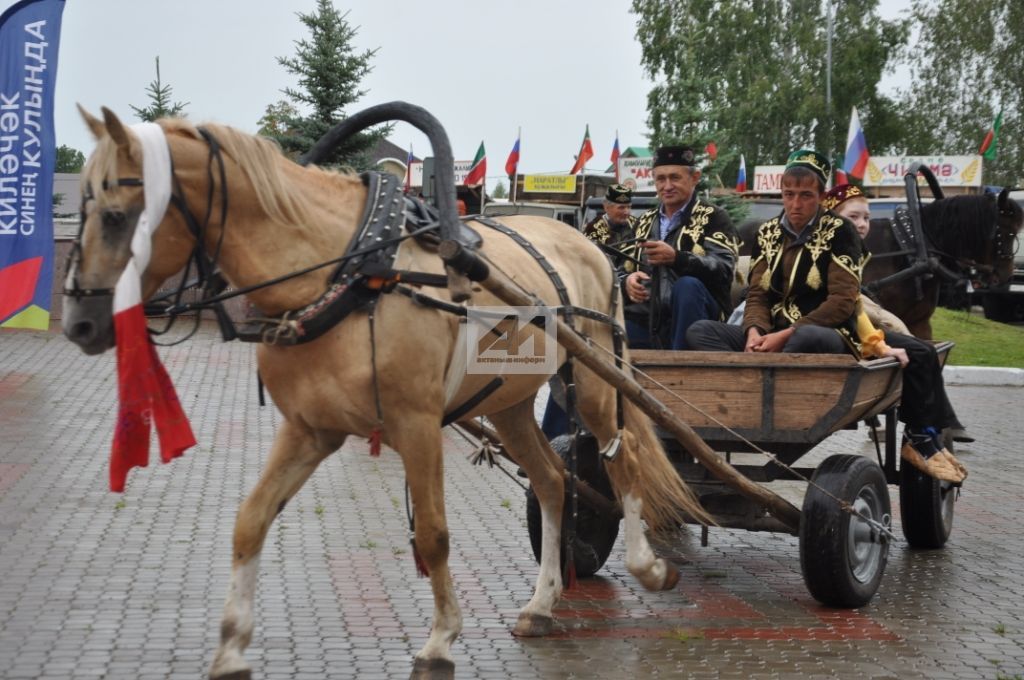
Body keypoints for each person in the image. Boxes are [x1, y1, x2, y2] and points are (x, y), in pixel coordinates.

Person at [687, 150, 966, 483]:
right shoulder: (768, 233)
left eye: (806, 195)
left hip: (833, 331)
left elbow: (843, 302)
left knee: (808, 338)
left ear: (820, 197)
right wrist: (754, 331)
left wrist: (783, 336)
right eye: (789, 195)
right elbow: (759, 294)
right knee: (701, 332)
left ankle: (786, 405)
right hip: (774, 330)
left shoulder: (839, 232)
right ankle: (740, 401)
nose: (795, 204)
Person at [824, 183, 974, 445]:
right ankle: (921, 437)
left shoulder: (853, 251)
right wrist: (877, 340)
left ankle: (925, 428)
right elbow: (845, 305)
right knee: (921, 352)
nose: (862, 224)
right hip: (838, 331)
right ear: (832, 218)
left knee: (921, 350)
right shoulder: (829, 251)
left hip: (849, 327)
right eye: (853, 217)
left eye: (866, 218)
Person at [617, 145, 740, 349]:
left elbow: (724, 270)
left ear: (695, 178)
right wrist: (626, 282)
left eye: (675, 177)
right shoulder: (644, 221)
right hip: (649, 321)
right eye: (660, 179)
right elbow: (621, 269)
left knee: (687, 286)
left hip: (700, 323)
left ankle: (682, 365)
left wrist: (678, 259)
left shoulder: (714, 217)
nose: (667, 186)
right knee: (603, 334)